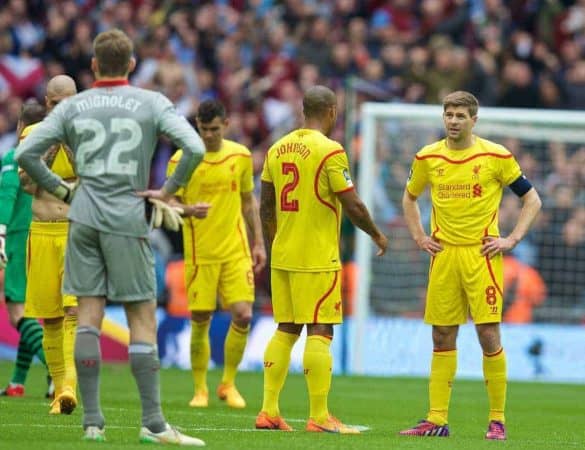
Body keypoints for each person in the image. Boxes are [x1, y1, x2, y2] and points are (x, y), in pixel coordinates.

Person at [16, 29, 206, 446]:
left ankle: (93, 422)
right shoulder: (150, 101)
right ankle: (153, 424)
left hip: (81, 220)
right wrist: (167, 191)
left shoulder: (75, 107)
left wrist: (65, 191)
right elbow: (193, 147)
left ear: (95, 66)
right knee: (140, 317)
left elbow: (23, 156)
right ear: (133, 65)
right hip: (125, 217)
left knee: (84, 316)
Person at [400, 91, 542, 440]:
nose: (452, 121)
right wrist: (419, 237)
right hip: (444, 256)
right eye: (448, 114)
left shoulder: (496, 156)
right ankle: (436, 420)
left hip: (482, 257)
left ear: (473, 120)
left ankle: (497, 420)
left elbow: (532, 199)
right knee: (442, 334)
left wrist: (511, 240)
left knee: (488, 334)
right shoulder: (428, 157)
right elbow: (410, 197)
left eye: (460, 115)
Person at [256, 85, 388, 433]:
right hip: (316, 256)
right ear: (332, 111)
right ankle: (319, 416)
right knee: (320, 329)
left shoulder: (276, 148)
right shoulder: (331, 151)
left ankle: (268, 410)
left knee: (286, 328)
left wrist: (274, 245)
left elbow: (265, 205)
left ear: (303, 111)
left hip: (282, 255)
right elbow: (353, 203)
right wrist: (375, 233)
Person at [166, 100, 266, 409]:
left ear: (225, 124)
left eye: (213, 129)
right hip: (200, 254)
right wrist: (187, 210)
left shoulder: (240, 156)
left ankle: (228, 383)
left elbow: (249, 202)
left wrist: (259, 243)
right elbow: (166, 203)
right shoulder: (182, 159)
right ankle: (200, 389)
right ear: (197, 126)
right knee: (200, 319)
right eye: (203, 129)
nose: (208, 135)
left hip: (235, 251)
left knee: (244, 314)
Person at [18, 75, 79, 416]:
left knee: (73, 311)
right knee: (51, 319)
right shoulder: (30, 135)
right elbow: (27, 184)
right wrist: (51, 145)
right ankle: (60, 390)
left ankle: (68, 386)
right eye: (56, 104)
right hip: (40, 231)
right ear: (47, 103)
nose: (62, 109)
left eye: (68, 102)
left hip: (75, 232)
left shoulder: (89, 134)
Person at [0, 99, 50, 398]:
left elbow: (6, 197)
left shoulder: (15, 156)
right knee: (30, 311)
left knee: (17, 312)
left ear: (20, 126)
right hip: (43, 236)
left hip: (18, 238)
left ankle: (59, 373)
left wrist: (1, 234)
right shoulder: (48, 158)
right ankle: (18, 381)